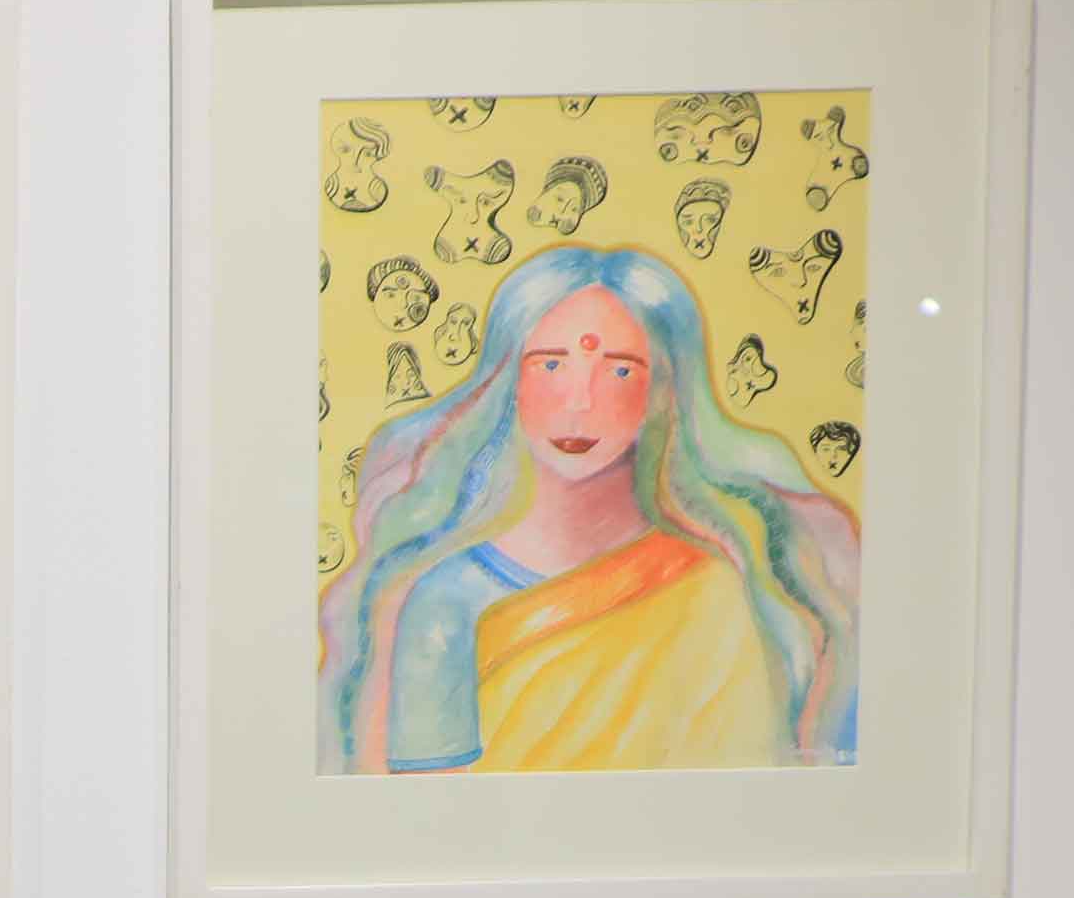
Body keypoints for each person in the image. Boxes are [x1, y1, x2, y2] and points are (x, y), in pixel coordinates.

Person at [320, 246, 861, 774]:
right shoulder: (446, 600)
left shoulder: (708, 592)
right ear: (511, 385)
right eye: (551, 365)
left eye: (620, 371)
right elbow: (435, 817)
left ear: (663, 393)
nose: (580, 399)